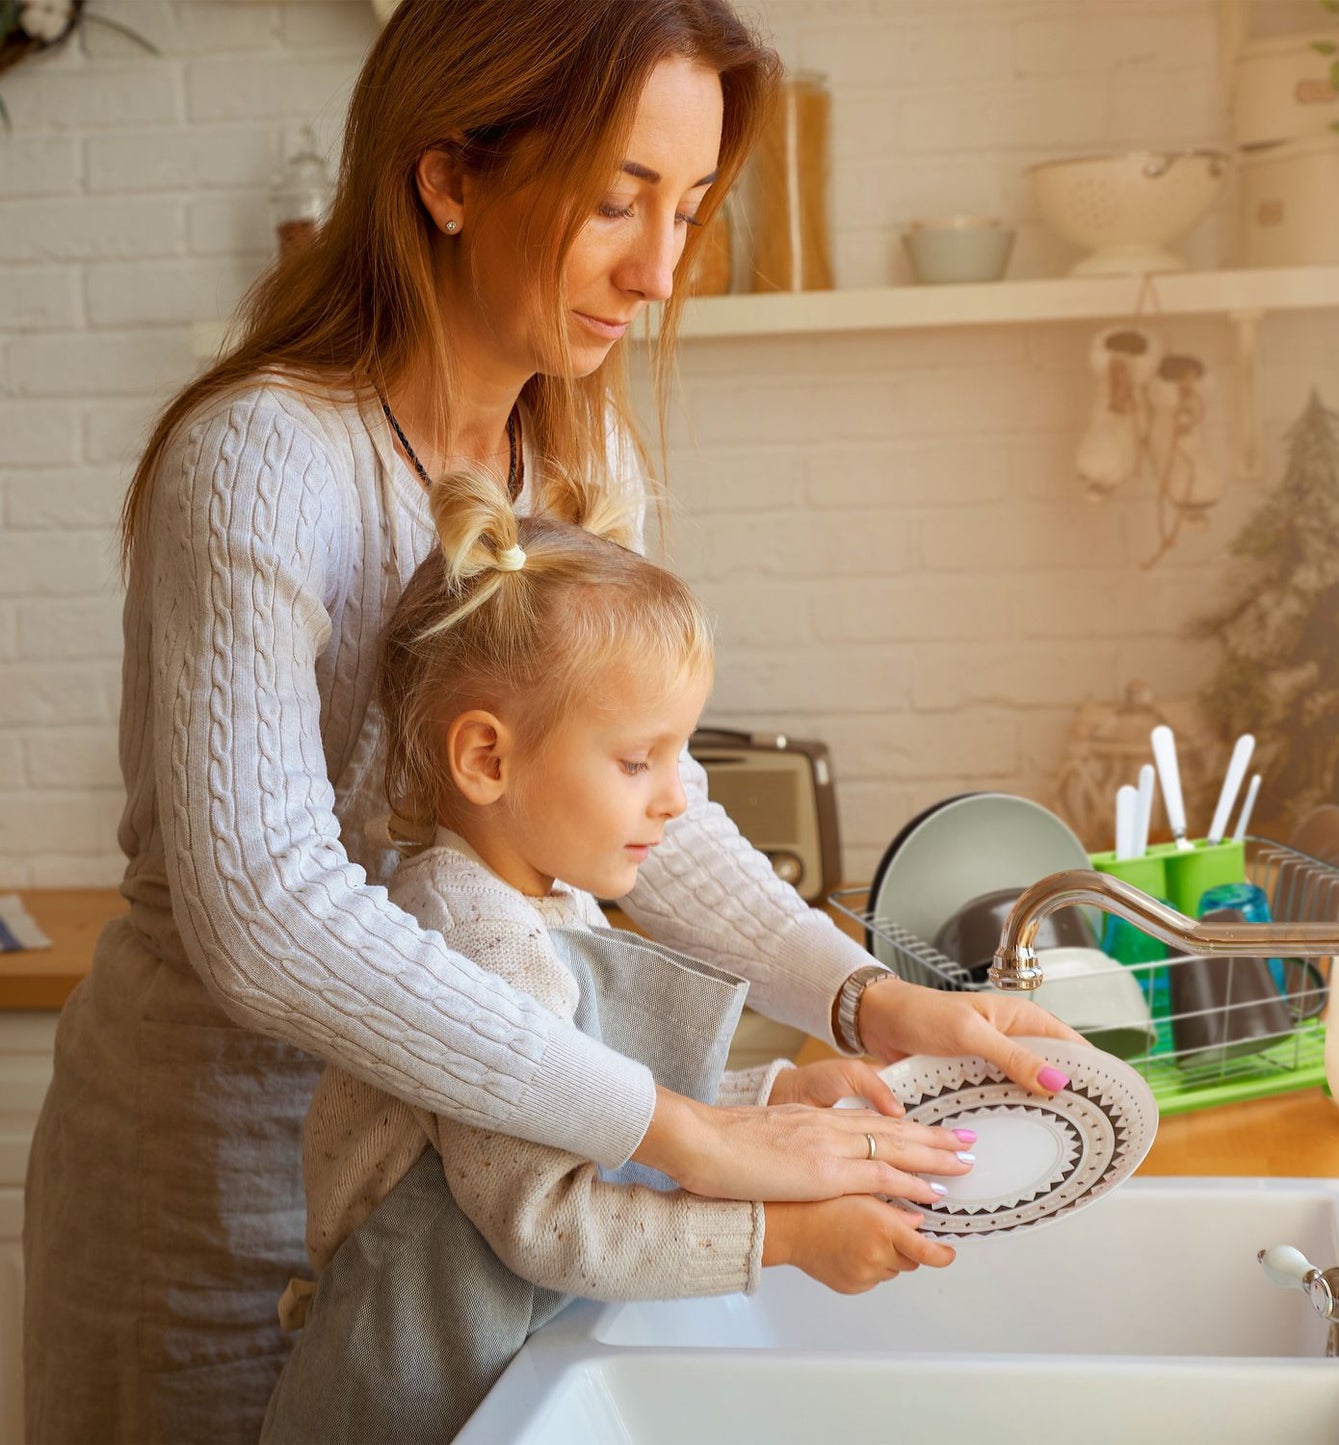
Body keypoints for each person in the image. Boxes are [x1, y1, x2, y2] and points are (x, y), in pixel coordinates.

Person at [23, 2, 1077, 1440]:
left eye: (690, 208)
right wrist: (683, 1131)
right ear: (449, 176)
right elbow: (269, 912)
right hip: (211, 1188)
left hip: (454, 1182)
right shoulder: (263, 460)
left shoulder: (580, 466)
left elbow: (655, 809)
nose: (656, 269)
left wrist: (863, 998)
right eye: (614, 203)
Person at [261, 466, 970, 1443]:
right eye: (638, 761)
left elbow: (592, 1103)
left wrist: (762, 1096)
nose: (676, 797)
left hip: (500, 1371)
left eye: (677, 756)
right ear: (486, 759)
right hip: (413, 1397)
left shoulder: (547, 894)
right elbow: (554, 1220)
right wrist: (791, 1236)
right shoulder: (479, 935)